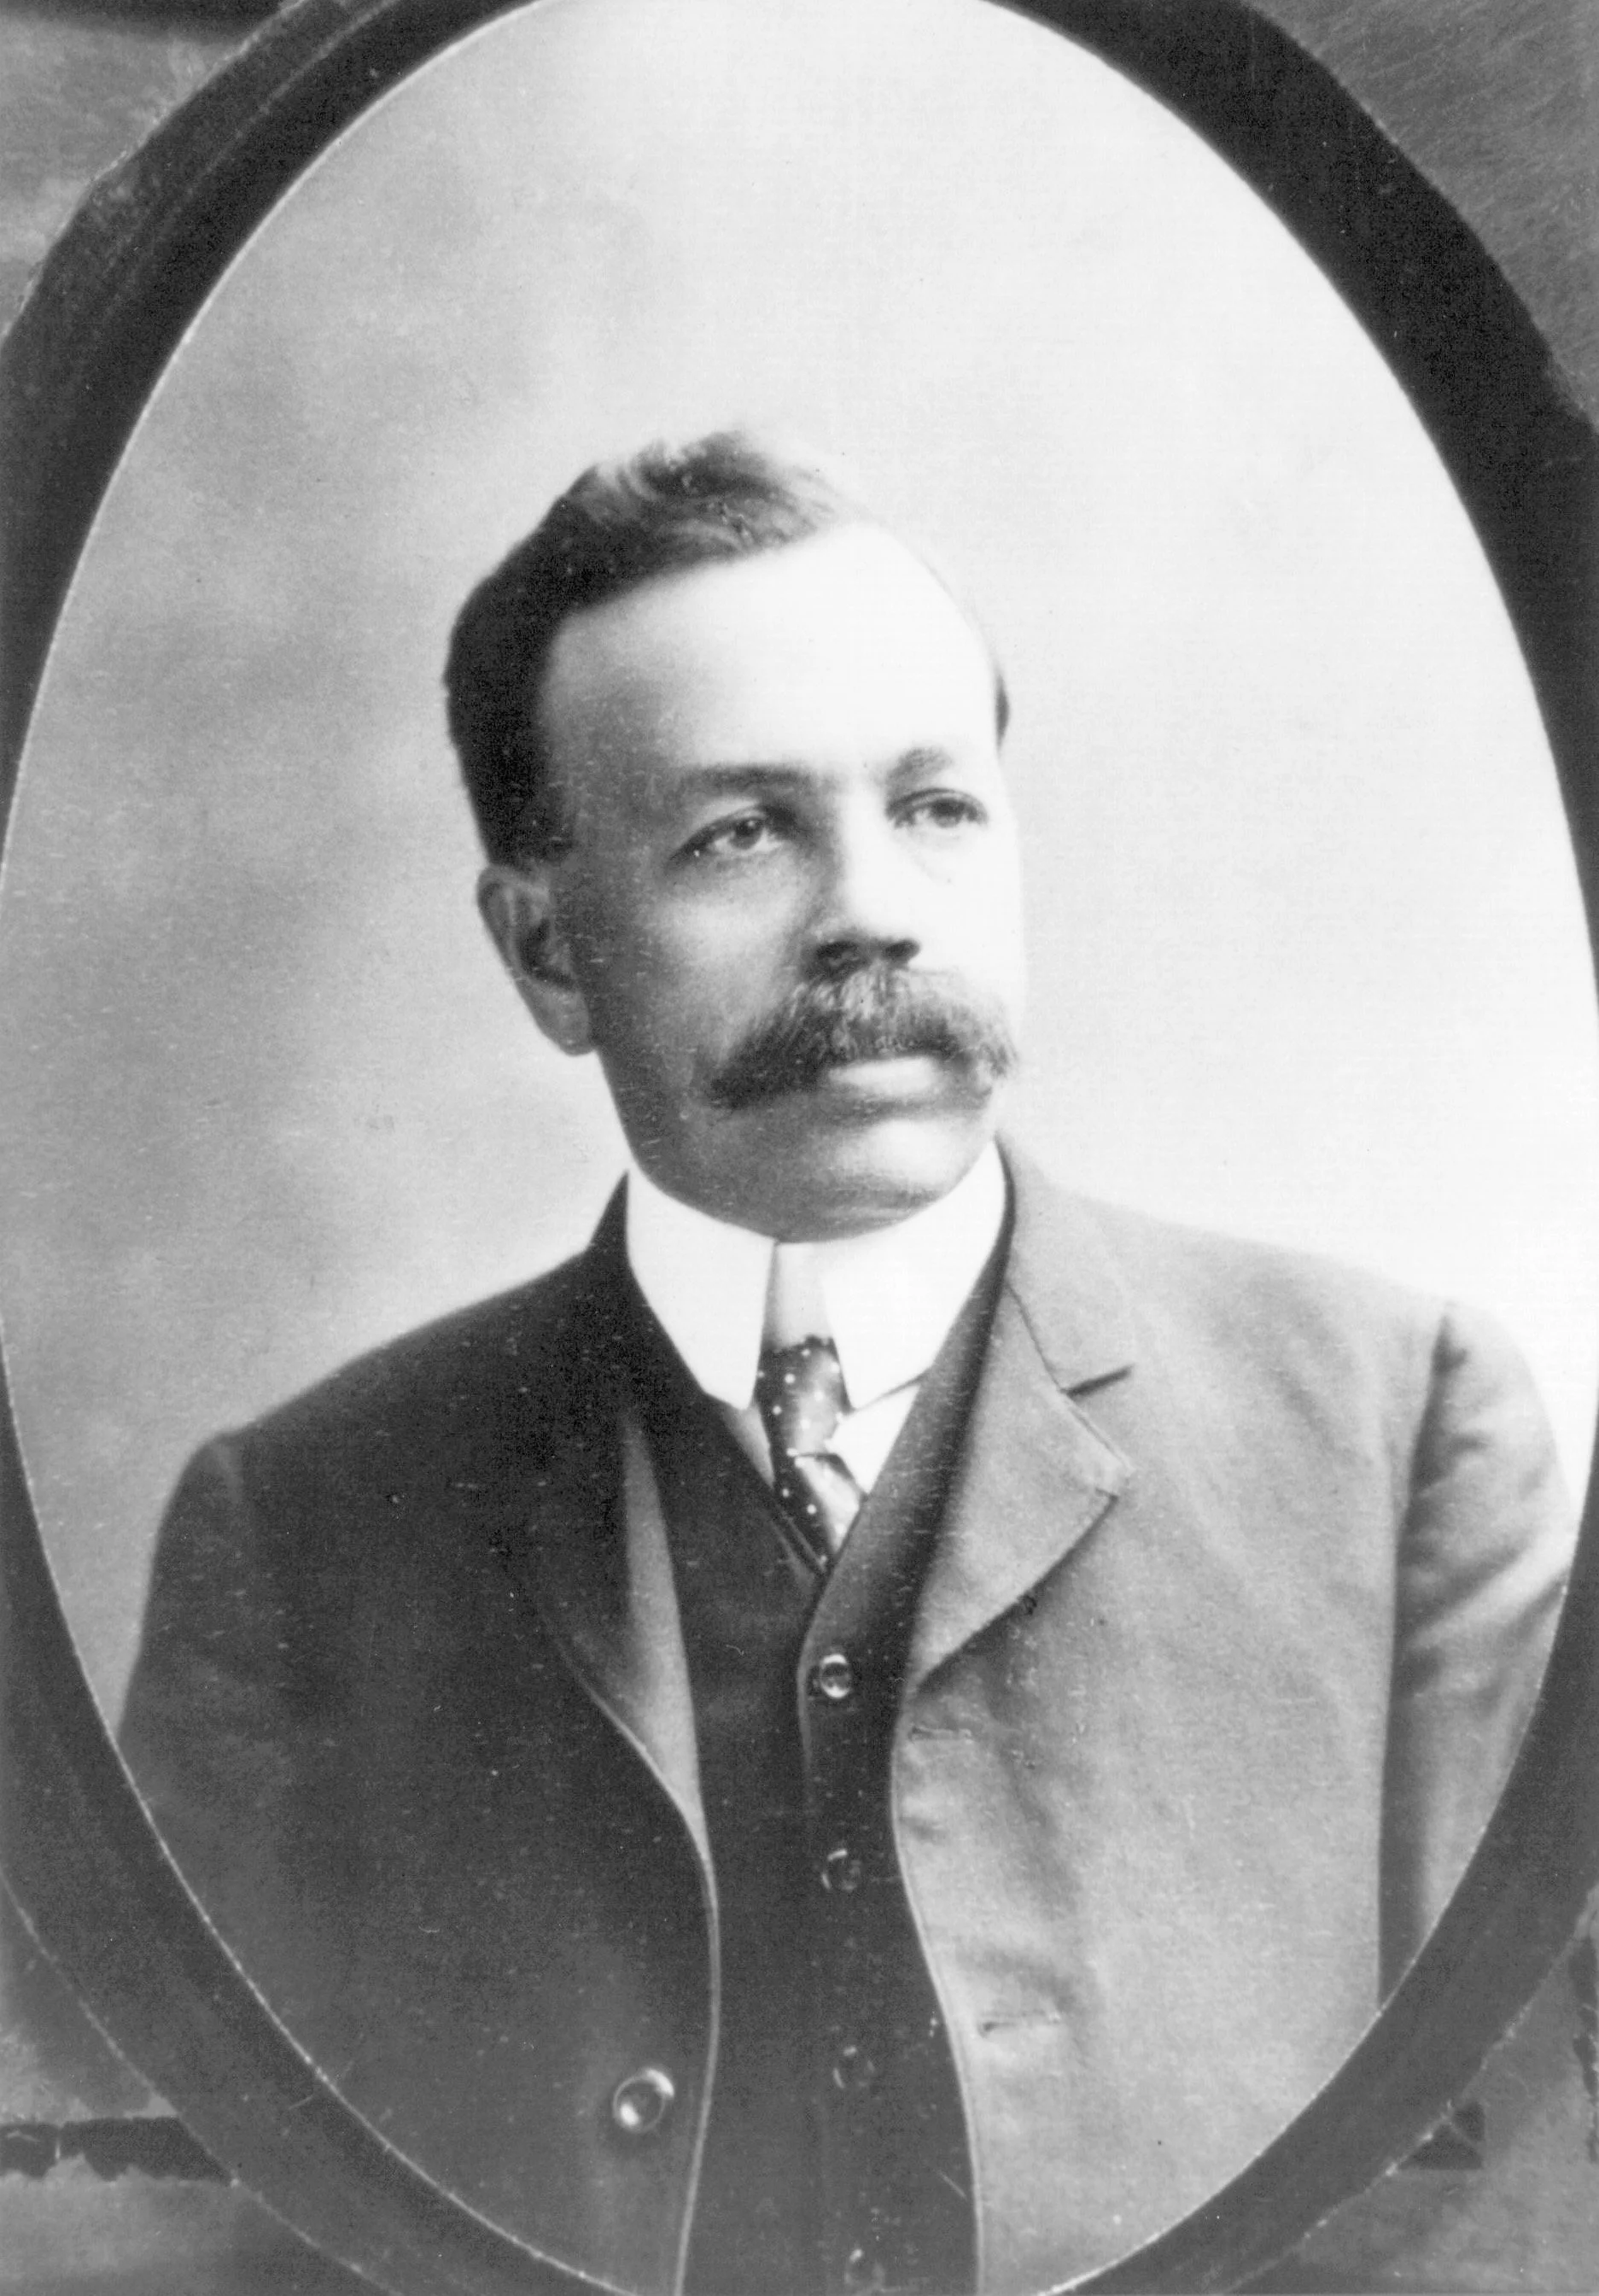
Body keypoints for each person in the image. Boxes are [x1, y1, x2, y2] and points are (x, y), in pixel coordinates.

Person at [120, 431, 1573, 2296]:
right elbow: (183, 2235)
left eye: (938, 806)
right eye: (744, 833)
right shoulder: (302, 1530)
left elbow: (1522, 2205)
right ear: (548, 952)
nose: (873, 906)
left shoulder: (1395, 1435)